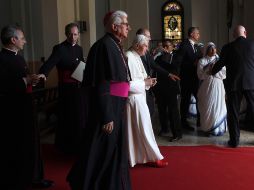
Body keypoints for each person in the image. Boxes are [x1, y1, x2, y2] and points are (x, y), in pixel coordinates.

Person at [66, 10, 132, 190]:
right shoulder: (104, 46)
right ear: (114, 26)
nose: (129, 27)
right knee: (100, 151)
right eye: (126, 24)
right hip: (108, 107)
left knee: (111, 150)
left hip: (116, 105)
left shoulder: (115, 45)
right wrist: (107, 116)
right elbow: (101, 83)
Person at [0, 25, 47, 190]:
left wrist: (33, 79)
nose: (25, 41)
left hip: (26, 107)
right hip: (13, 111)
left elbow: (23, 80)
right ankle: (20, 179)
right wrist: (26, 81)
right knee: (18, 146)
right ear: (13, 40)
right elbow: (4, 86)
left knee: (31, 143)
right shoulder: (2, 59)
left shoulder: (18, 58)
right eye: (22, 38)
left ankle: (33, 176)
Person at [39, 22, 85, 154]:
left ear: (78, 35)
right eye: (70, 34)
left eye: (75, 34)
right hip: (66, 89)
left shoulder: (79, 49)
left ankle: (77, 145)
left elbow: (81, 65)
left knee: (77, 116)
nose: (73, 36)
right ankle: (65, 146)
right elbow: (49, 63)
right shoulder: (59, 48)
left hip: (78, 88)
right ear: (66, 34)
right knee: (67, 116)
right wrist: (43, 73)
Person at [126, 34, 168, 168]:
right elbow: (127, 84)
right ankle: (155, 157)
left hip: (140, 97)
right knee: (141, 130)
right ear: (137, 45)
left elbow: (143, 77)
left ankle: (143, 156)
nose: (146, 50)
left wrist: (149, 81)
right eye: (145, 46)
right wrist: (145, 83)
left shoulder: (137, 56)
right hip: (133, 100)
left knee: (144, 129)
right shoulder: (128, 56)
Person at [211, 25, 254, 147]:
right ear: (245, 32)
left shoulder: (228, 47)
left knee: (233, 112)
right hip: (251, 83)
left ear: (234, 35)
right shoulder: (252, 44)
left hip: (234, 84)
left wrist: (212, 71)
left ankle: (234, 141)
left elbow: (220, 63)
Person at [136, 28, 179, 117]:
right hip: (139, 87)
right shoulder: (133, 53)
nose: (150, 39)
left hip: (147, 86)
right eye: (148, 36)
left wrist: (169, 74)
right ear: (141, 37)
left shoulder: (146, 52)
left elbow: (154, 65)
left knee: (150, 111)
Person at [154, 39, 182, 141]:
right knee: (161, 110)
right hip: (160, 87)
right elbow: (155, 67)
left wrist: (166, 56)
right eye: (164, 46)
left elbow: (174, 69)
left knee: (173, 111)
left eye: (167, 46)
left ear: (172, 47)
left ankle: (177, 134)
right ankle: (164, 128)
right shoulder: (159, 58)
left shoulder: (177, 57)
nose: (165, 48)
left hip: (172, 88)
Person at [197, 42, 227, 136]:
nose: (213, 50)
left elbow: (224, 73)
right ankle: (207, 128)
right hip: (207, 86)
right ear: (207, 50)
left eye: (215, 48)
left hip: (218, 85)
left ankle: (217, 128)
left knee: (218, 106)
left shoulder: (220, 60)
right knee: (207, 106)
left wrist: (213, 71)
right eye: (211, 49)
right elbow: (200, 75)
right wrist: (209, 71)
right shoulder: (202, 61)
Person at [176, 26, 202, 130]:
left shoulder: (195, 46)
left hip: (195, 78)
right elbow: (179, 61)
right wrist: (193, 63)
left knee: (199, 99)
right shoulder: (184, 45)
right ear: (192, 34)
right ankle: (183, 122)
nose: (199, 35)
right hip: (186, 78)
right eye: (197, 33)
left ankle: (200, 120)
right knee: (185, 100)